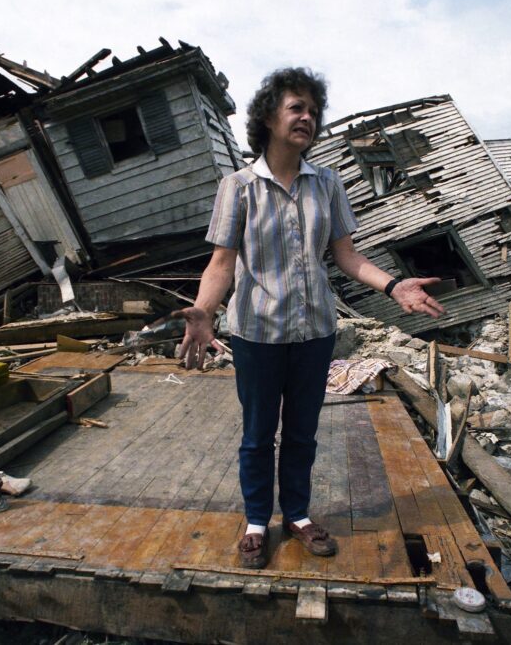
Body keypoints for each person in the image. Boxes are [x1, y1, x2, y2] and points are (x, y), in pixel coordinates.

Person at [177, 68, 444, 569]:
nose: (307, 118)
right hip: (257, 333)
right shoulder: (237, 187)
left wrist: (393, 285)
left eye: (313, 112)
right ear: (268, 117)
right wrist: (203, 311)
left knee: (302, 433)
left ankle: (296, 515)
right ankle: (258, 521)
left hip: (315, 331)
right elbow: (222, 263)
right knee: (258, 434)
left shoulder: (327, 184)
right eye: (296, 108)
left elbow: (346, 255)